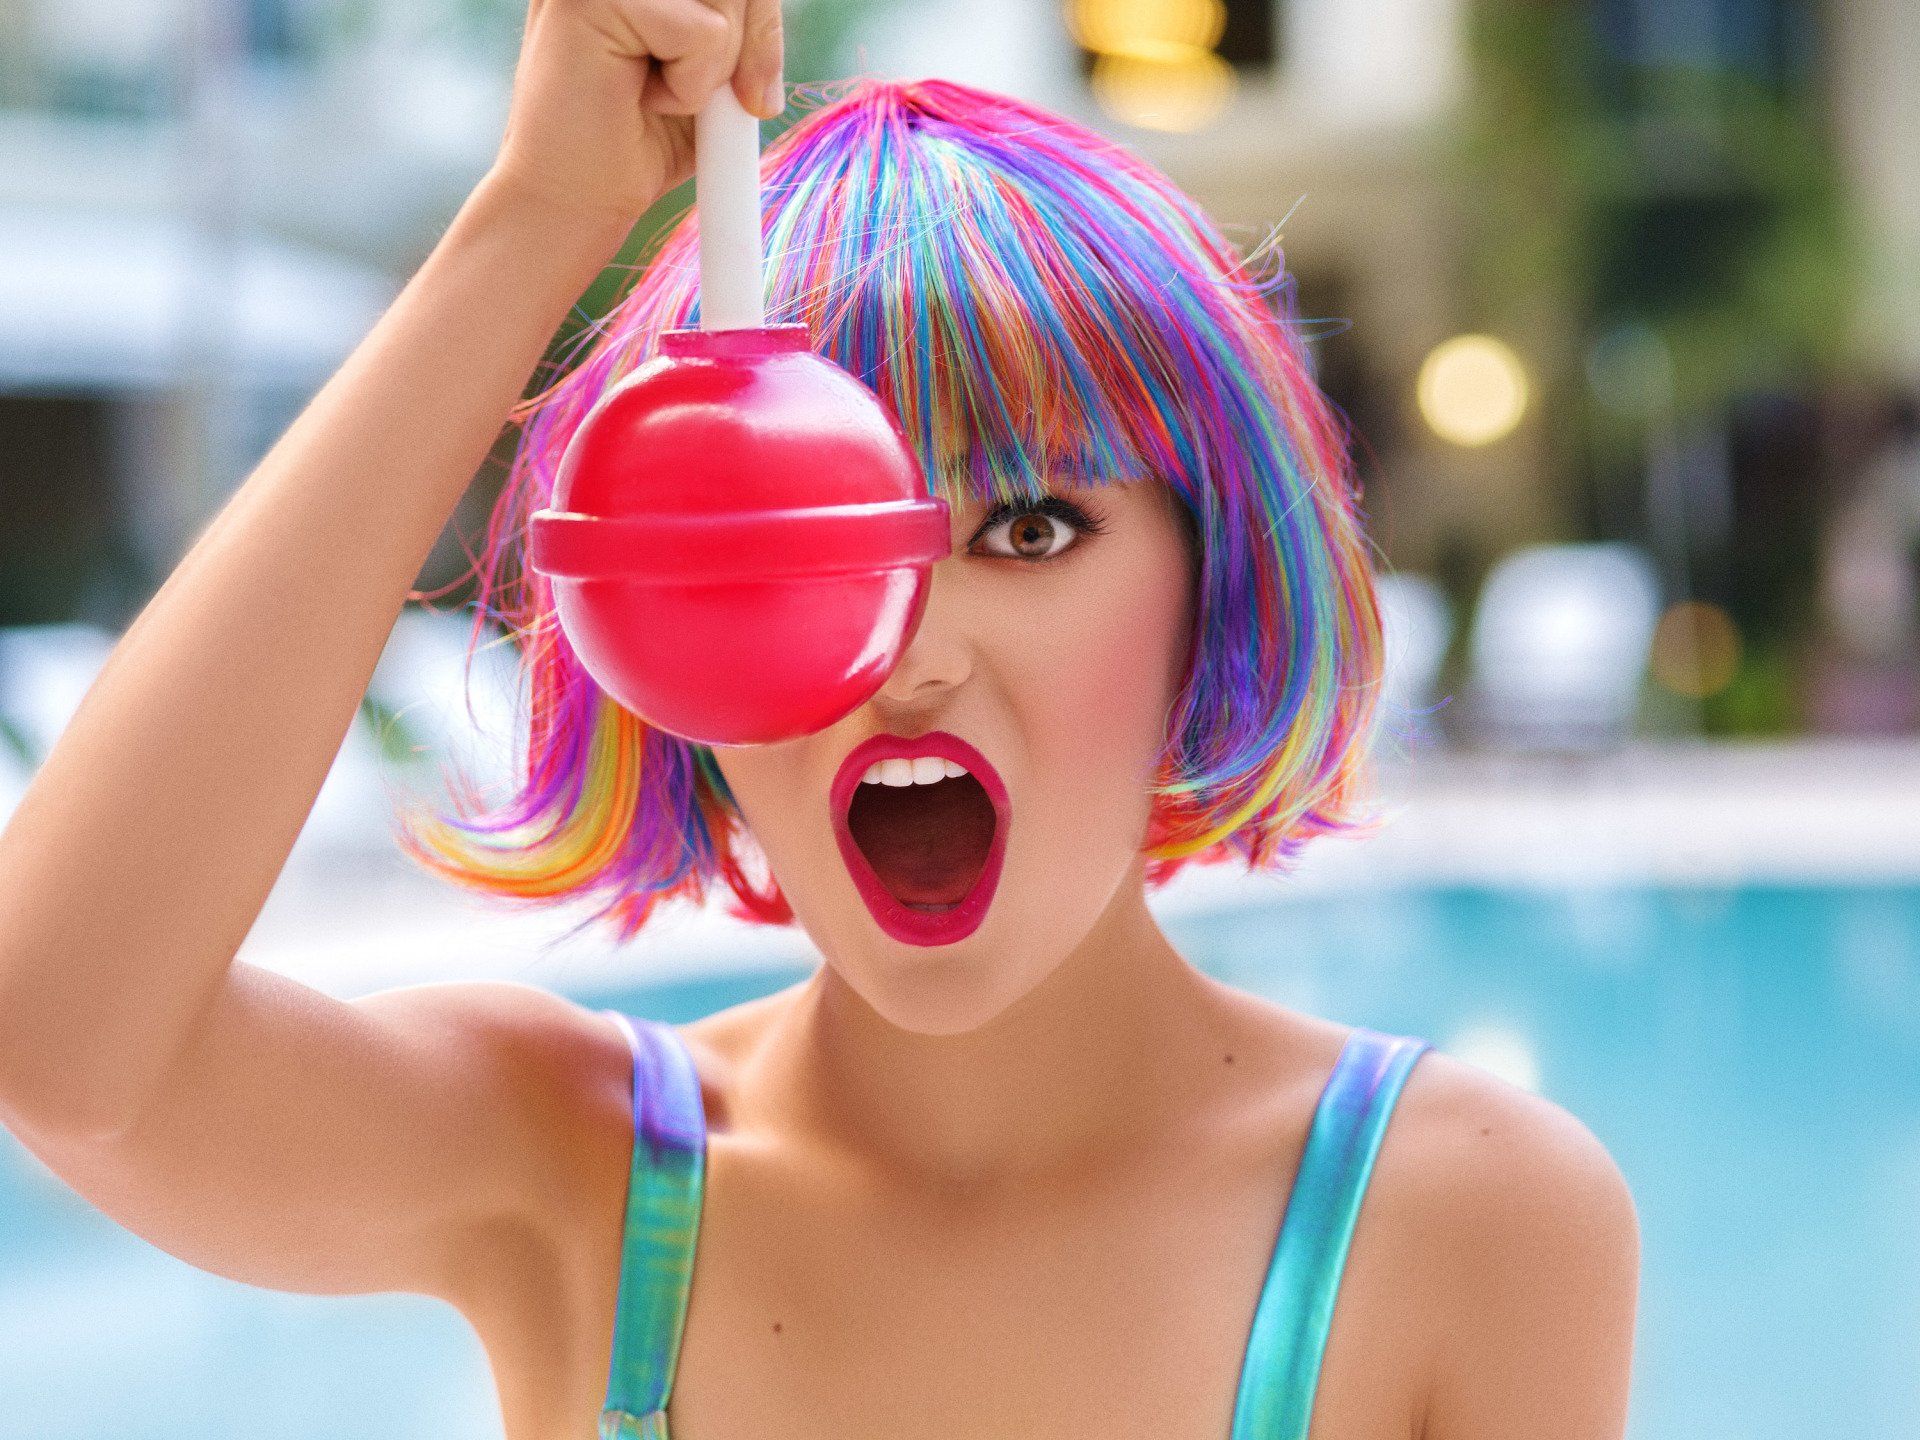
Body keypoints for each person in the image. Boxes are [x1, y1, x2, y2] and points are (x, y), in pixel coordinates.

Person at [0, 1, 1640, 1437]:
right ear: (654, 624)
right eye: (780, 538)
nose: (907, 653)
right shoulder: (578, 1179)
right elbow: (66, 1045)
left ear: (1212, 589)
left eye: (1031, 528)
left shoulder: (1460, 1221)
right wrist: (534, 219)